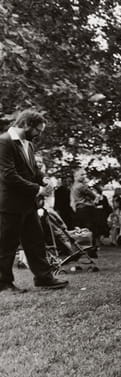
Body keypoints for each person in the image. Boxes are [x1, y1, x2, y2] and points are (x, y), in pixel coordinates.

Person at [0, 109, 68, 292]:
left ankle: (44, 278)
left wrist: (43, 180)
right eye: (37, 130)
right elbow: (8, 175)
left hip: (28, 205)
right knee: (7, 244)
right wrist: (38, 189)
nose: (39, 134)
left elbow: (33, 171)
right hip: (10, 204)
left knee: (36, 241)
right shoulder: (4, 142)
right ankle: (3, 282)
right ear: (26, 124)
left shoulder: (28, 145)